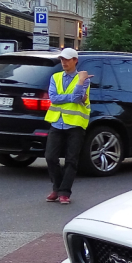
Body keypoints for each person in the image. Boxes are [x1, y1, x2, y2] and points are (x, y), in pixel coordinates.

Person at [44, 48, 91, 204]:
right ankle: (57, 188)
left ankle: (64, 192)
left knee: (71, 160)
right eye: (62, 59)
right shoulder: (55, 77)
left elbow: (78, 98)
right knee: (50, 157)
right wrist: (73, 96)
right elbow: (54, 99)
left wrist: (79, 81)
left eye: (67, 59)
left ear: (75, 60)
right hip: (57, 122)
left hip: (75, 124)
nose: (64, 62)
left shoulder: (84, 78)